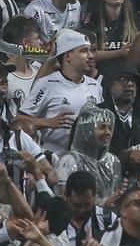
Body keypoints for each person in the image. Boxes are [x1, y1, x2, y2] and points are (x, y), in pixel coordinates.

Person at [17, 29, 103, 157]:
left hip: (87, 160)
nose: (91, 56)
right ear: (67, 56)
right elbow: (19, 120)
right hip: (54, 160)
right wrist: (48, 123)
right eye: (84, 51)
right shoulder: (46, 84)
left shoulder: (95, 85)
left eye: (90, 50)